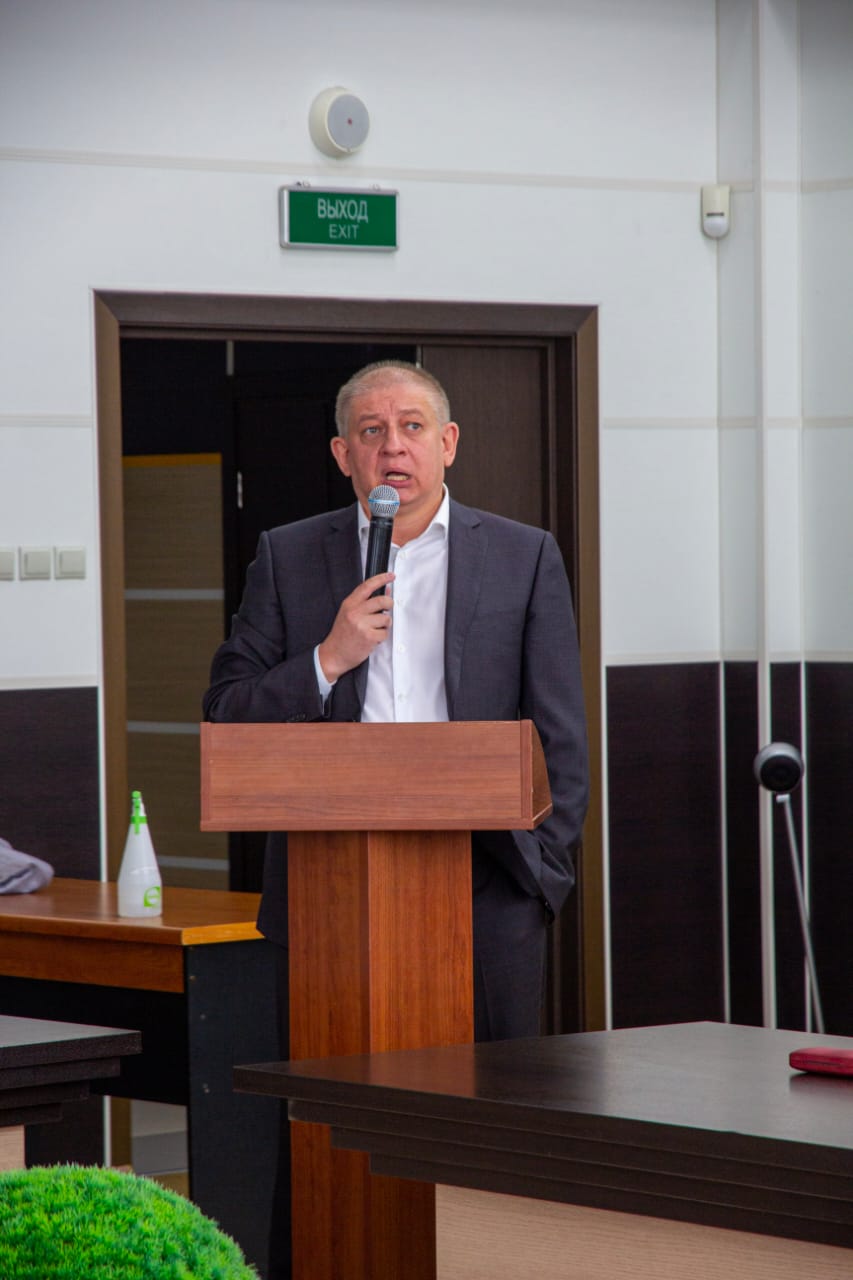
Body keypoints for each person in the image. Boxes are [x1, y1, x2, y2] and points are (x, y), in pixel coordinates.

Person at [202, 359, 589, 1277]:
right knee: (326, 1131)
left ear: (447, 444)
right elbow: (226, 711)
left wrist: (539, 876)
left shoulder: (521, 553)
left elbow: (559, 739)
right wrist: (327, 658)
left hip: (487, 886)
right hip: (332, 893)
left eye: (412, 427)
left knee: (491, 1125)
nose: (393, 447)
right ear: (342, 454)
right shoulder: (289, 555)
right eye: (371, 431)